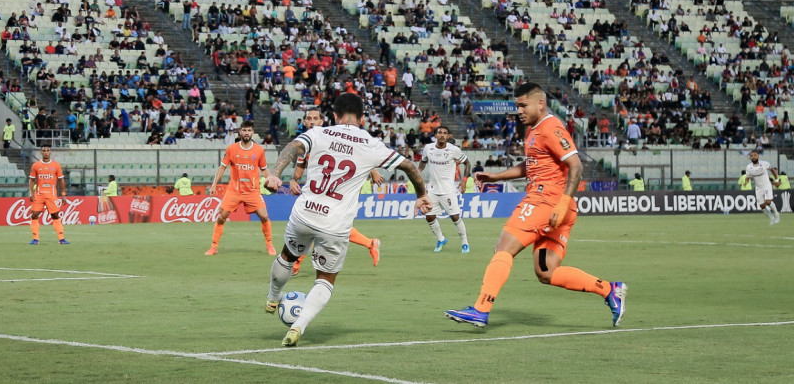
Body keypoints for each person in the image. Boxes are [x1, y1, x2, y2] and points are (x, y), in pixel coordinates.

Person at [446, 82, 627, 329]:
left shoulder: (551, 127)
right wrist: (496, 177)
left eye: (523, 105)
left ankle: (481, 308)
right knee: (546, 271)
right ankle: (609, 289)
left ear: (540, 103)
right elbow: (531, 164)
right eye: (516, 106)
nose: (519, 111)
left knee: (503, 248)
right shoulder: (533, 130)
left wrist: (562, 203)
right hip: (556, 207)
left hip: (547, 201)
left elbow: (576, 165)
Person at [263, 92, 430, 347]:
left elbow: (292, 147)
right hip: (335, 223)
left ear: (334, 115)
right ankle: (298, 326)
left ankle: (273, 297)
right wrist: (421, 195)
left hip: (305, 212)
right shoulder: (372, 144)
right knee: (325, 279)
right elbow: (409, 166)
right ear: (362, 118)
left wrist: (275, 173)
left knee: (288, 256)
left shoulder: (319, 133)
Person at [289, 108, 383, 275]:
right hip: (321, 192)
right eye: (309, 118)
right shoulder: (305, 143)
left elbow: (359, 152)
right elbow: (300, 167)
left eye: (315, 118)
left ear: (322, 121)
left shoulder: (332, 136)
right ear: (304, 122)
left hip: (341, 190)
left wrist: (373, 171)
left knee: (321, 224)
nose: (312, 121)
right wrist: (293, 180)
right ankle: (370, 243)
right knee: (328, 225)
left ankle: (296, 264)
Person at [204, 122, 275, 256]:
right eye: (244, 130)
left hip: (252, 191)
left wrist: (271, 180)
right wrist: (214, 185)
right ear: (240, 132)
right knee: (221, 217)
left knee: (264, 216)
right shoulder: (232, 149)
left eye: (249, 130)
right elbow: (222, 168)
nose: (246, 133)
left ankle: (269, 245)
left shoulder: (259, 150)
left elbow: (264, 169)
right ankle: (213, 247)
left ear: (252, 132)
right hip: (234, 190)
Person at [419, 125, 471, 253]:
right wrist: (418, 172)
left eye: (444, 133)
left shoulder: (454, 150)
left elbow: (467, 163)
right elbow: (423, 161)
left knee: (455, 217)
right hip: (432, 190)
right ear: (436, 135)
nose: (442, 135)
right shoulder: (428, 148)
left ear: (448, 136)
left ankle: (465, 242)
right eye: (440, 132)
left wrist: (464, 181)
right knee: (429, 216)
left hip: (448, 190)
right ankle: (441, 239)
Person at [28, 145, 68, 244]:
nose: (46, 152)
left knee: (55, 215)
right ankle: (35, 239)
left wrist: (63, 194)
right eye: (44, 150)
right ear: (41, 152)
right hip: (39, 194)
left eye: (47, 150)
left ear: (50, 152)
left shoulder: (56, 165)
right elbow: (32, 180)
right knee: (34, 215)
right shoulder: (36, 165)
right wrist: (31, 193)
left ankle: (61, 238)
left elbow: (61, 180)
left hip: (51, 194)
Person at [744, 150, 781, 225]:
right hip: (758, 188)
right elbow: (748, 176)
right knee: (762, 206)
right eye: (752, 156)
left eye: (755, 155)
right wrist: (746, 182)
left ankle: (777, 214)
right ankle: (771, 218)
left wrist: (776, 180)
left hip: (767, 185)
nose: (753, 157)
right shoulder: (749, 167)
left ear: (758, 156)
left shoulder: (764, 164)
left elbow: (772, 170)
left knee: (768, 202)